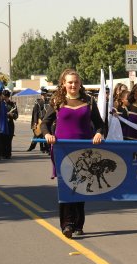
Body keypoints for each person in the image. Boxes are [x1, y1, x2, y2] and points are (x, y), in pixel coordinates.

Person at [41, 69, 105, 239]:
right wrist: (47, 134)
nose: (73, 85)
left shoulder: (89, 101)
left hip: (85, 152)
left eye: (76, 82)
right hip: (62, 151)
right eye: (70, 82)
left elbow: (100, 124)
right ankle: (67, 224)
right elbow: (45, 124)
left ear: (80, 83)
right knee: (66, 186)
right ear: (63, 84)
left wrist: (99, 133)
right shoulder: (56, 101)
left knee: (81, 185)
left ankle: (78, 223)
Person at [27, 87, 50, 153]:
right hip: (39, 120)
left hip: (46, 120)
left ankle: (46, 148)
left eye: (44, 94)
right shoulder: (38, 101)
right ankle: (32, 147)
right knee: (37, 134)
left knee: (45, 134)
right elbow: (35, 113)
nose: (43, 95)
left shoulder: (49, 101)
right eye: (42, 94)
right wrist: (35, 122)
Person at [1, 89, 18, 159]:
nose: (4, 98)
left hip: (9, 124)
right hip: (2, 124)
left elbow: (16, 116)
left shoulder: (13, 104)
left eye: (5, 97)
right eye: (3, 97)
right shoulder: (0, 103)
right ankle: (2, 153)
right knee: (2, 139)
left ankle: (8, 154)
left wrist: (11, 114)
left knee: (9, 140)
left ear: (8, 97)